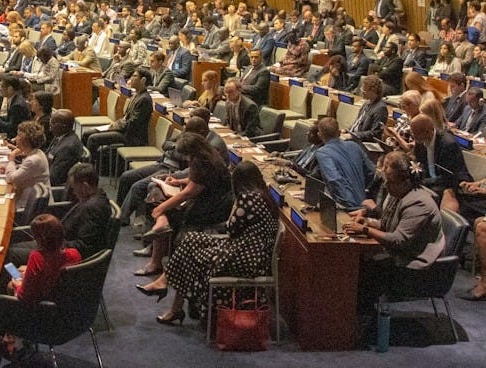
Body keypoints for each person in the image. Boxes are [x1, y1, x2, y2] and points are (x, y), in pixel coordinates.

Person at [140, 161, 279, 325]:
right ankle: (169, 294)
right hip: (246, 250)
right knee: (190, 240)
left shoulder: (248, 199)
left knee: (190, 255)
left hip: (245, 258)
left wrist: (234, 207)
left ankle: (172, 300)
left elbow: (231, 229)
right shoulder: (263, 195)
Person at [344, 150, 444, 319]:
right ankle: (357, 317)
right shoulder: (399, 194)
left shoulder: (418, 202)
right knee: (357, 263)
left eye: (390, 182)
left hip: (415, 267)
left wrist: (366, 230)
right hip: (401, 255)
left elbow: (398, 240)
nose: (385, 186)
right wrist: (367, 222)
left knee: (363, 270)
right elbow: (387, 224)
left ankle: (361, 322)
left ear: (405, 181)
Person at [134, 131, 232, 281]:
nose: (185, 158)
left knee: (163, 209)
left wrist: (161, 208)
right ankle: (161, 226)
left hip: (210, 208)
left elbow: (188, 193)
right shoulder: (208, 154)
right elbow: (196, 180)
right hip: (207, 201)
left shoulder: (201, 162)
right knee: (157, 191)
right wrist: (178, 182)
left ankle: (155, 260)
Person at [7, 213, 81, 303]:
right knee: (21, 268)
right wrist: (28, 272)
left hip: (39, 301)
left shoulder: (36, 257)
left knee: (11, 280)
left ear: (39, 239)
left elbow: (24, 296)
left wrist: (18, 285)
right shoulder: (74, 253)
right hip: (61, 297)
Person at [84, 67, 154, 157]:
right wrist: (115, 125)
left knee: (93, 139)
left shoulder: (144, 99)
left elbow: (133, 124)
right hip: (124, 129)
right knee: (87, 134)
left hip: (131, 136)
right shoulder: (137, 95)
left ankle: (90, 165)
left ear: (143, 80)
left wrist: (115, 126)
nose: (130, 79)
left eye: (134, 76)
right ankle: (87, 162)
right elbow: (126, 118)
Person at [312, 117, 375, 210]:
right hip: (363, 202)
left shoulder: (322, 153)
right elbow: (371, 171)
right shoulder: (354, 145)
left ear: (319, 135)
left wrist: (348, 203)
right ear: (339, 132)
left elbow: (334, 180)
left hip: (345, 206)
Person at [4, 121, 51, 216]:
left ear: (25, 141)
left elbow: (11, 179)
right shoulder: (38, 152)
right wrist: (13, 167)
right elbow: (25, 172)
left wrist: (11, 159)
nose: (15, 139)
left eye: (18, 136)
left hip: (25, 206)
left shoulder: (33, 160)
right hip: (25, 197)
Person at [44, 109, 83, 186]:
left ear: (62, 127)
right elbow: (48, 154)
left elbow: (53, 178)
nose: (50, 128)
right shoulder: (60, 136)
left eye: (52, 124)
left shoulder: (67, 148)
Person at [0, 74, 31, 140]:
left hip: (14, 139)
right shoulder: (14, 98)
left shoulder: (17, 105)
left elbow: (11, 127)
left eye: (1, 86)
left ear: (10, 89)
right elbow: (10, 118)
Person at [347, 75, 389, 142]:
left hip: (362, 142)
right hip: (353, 137)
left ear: (373, 90)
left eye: (364, 90)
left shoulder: (381, 108)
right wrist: (347, 131)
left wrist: (353, 135)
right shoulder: (367, 103)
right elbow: (357, 124)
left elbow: (375, 133)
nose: (362, 91)